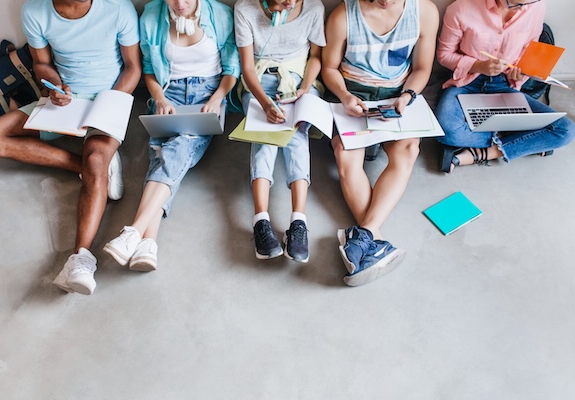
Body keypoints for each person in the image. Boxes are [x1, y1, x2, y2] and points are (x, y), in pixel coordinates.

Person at [0, 0, 141, 295]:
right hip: (65, 101)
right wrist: (53, 87)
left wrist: (108, 105)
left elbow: (132, 68)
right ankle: (94, 171)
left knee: (95, 160)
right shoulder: (35, 10)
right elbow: (42, 64)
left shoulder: (118, 7)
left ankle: (81, 259)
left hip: (109, 97)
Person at [103, 0, 240, 271]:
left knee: (176, 149)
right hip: (169, 93)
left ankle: (134, 231)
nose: (180, 4)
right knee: (162, 155)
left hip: (207, 95)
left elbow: (231, 69)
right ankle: (147, 244)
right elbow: (150, 72)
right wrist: (160, 98)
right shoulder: (152, 16)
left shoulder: (221, 15)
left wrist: (217, 99)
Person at [321, 0, 438, 286]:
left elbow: (422, 68)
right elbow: (329, 68)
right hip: (352, 93)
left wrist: (407, 96)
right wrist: (346, 97)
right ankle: (375, 240)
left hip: (399, 94)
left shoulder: (425, 11)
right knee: (345, 152)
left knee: (409, 150)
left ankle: (363, 235)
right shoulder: (343, 16)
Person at [435, 0, 575, 173]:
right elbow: (444, 55)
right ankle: (526, 141)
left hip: (505, 85)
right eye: (514, 3)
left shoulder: (536, 6)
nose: (523, 8)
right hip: (466, 82)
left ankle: (485, 153)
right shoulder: (461, 8)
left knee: (566, 129)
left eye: (528, 2)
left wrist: (521, 72)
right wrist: (479, 66)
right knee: (447, 131)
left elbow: (528, 50)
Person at [234, 0, 326, 263]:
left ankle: (298, 221)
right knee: (265, 138)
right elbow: (247, 67)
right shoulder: (245, 9)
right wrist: (265, 104)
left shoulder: (313, 8)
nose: (289, 3)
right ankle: (261, 219)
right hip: (259, 82)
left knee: (297, 135)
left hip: (299, 79)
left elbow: (317, 56)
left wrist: (305, 89)